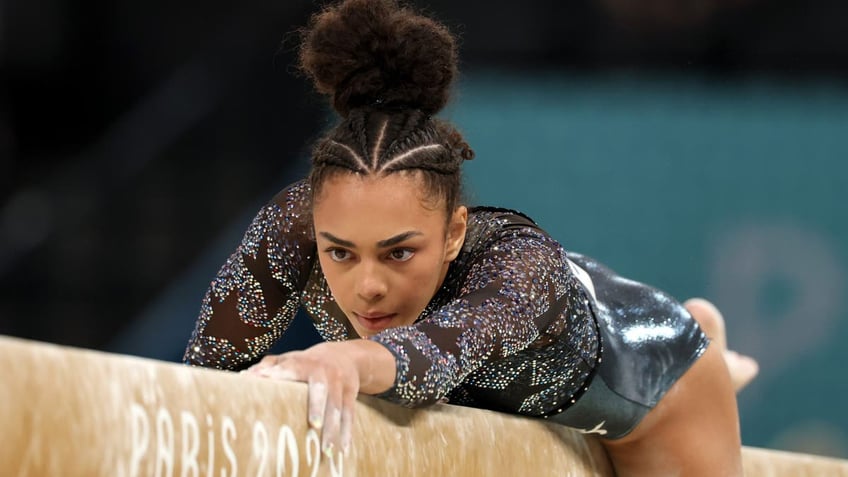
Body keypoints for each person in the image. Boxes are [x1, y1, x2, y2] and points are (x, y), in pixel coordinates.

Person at [184, 0, 758, 474]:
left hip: (655, 379)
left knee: (679, 367)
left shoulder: (522, 271)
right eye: (341, 252)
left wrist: (352, 360)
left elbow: (433, 355)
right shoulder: (296, 225)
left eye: (399, 252)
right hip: (543, 333)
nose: (368, 287)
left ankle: (705, 348)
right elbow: (202, 377)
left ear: (455, 231)